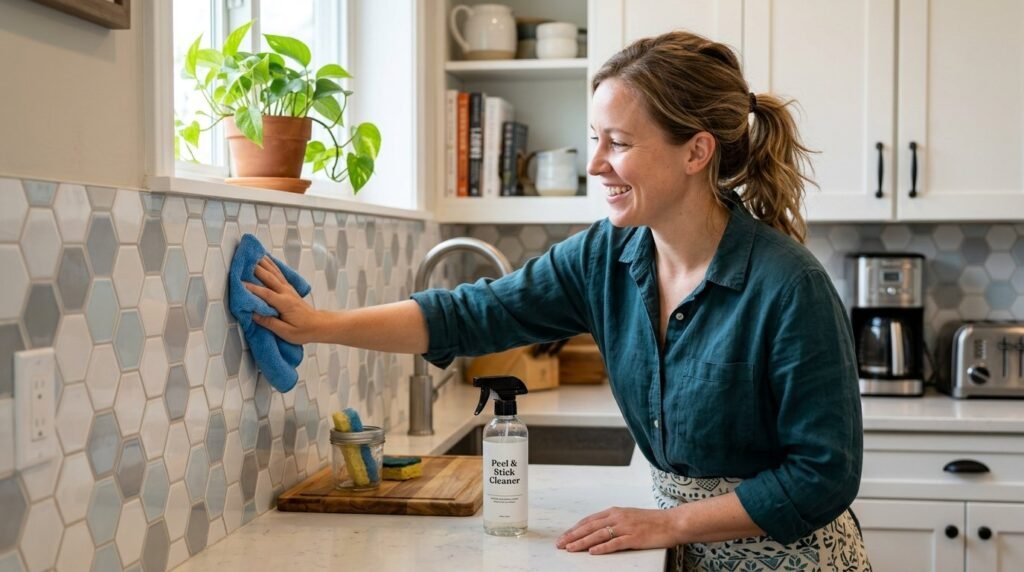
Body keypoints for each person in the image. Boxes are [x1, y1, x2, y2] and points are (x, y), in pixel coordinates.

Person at [244, 30, 870, 572]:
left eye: (618, 142)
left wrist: (670, 523)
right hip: (680, 552)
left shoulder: (789, 286)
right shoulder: (604, 257)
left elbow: (823, 475)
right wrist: (317, 324)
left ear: (696, 151)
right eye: (595, 138)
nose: (595, 164)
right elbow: (471, 314)